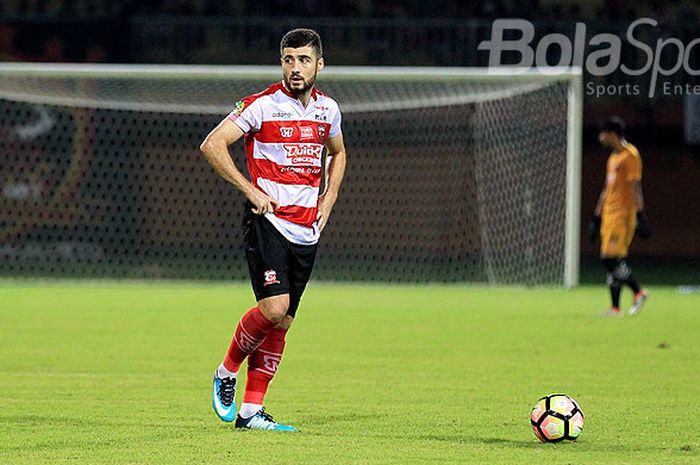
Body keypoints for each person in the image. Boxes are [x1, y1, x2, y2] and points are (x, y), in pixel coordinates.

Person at [200, 28, 346, 431]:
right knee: (274, 308)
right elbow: (213, 144)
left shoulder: (328, 110)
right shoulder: (261, 106)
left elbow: (338, 152)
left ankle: (250, 412)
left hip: (307, 229)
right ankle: (226, 371)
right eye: (288, 59)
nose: (295, 67)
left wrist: (329, 197)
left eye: (303, 60)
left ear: (320, 64)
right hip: (268, 222)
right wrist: (250, 190)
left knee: (283, 323)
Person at [590, 117, 649, 317]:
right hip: (609, 215)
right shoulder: (613, 158)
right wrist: (596, 216)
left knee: (608, 258)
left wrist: (640, 214)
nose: (600, 138)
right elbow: (607, 189)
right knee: (615, 262)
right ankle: (615, 308)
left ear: (612, 134)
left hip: (622, 215)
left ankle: (638, 291)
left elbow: (635, 187)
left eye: (603, 133)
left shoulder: (630, 155)